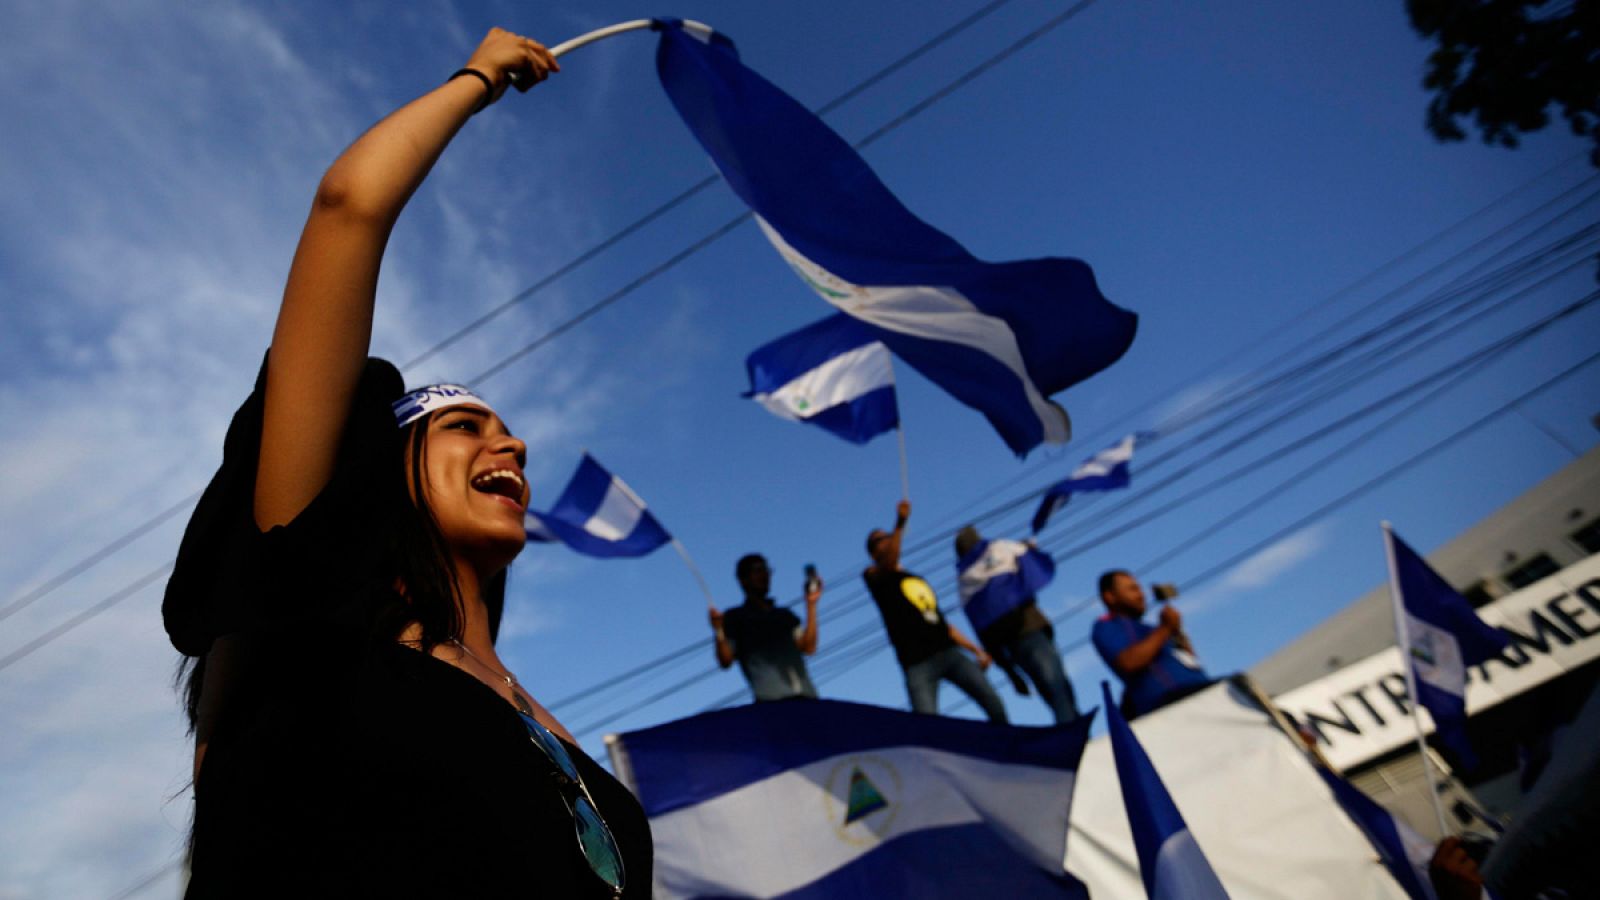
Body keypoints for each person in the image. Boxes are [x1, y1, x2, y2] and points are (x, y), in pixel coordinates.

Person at [160, 29, 650, 897]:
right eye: (464, 426)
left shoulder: (547, 726)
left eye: (504, 428)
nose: (513, 443)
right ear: (389, 475)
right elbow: (349, 207)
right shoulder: (311, 627)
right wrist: (479, 77)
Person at [863, 500, 1008, 722]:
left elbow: (939, 622)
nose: (886, 541)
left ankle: (1008, 747)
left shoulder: (915, 579)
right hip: (917, 663)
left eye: (887, 538)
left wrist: (975, 650)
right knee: (927, 725)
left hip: (949, 652)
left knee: (992, 702)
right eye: (879, 541)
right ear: (873, 553)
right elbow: (889, 565)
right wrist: (900, 523)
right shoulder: (874, 576)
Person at [954, 526, 1079, 723]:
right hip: (1029, 628)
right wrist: (1029, 551)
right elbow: (1026, 561)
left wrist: (1010, 672)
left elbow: (981, 629)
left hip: (1009, 645)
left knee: (1050, 688)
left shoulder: (964, 581)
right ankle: (1074, 731)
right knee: (1057, 687)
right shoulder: (1000, 547)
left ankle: (1073, 728)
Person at [1091, 569, 1212, 719]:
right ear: (1110, 597)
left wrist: (1176, 631)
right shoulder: (1107, 626)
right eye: (1132, 589)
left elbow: (1190, 659)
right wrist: (1166, 628)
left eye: (1140, 589)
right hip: (1170, 702)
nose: (1141, 595)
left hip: (1202, 692)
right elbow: (1129, 662)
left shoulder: (1151, 630)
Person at [709, 554, 821, 701]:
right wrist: (719, 630)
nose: (765, 575)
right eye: (758, 570)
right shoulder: (735, 617)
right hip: (771, 703)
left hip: (808, 698)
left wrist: (811, 605)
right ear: (743, 580)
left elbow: (809, 647)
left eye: (766, 570)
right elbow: (725, 660)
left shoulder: (785, 615)